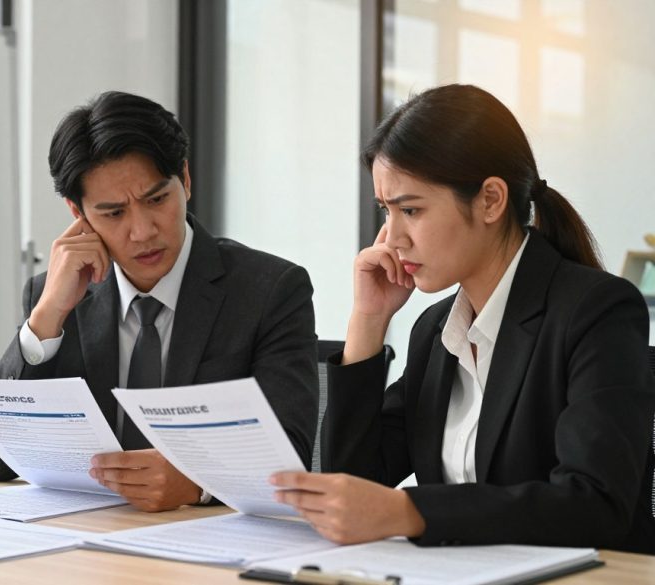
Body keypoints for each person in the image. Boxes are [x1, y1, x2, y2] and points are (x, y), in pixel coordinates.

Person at [271, 84, 655, 554]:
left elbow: (594, 505)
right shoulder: (435, 331)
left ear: (491, 200)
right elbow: (354, 486)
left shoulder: (597, 311)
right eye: (385, 212)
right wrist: (368, 321)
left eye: (410, 210)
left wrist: (412, 510)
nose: (392, 239)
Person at [0, 91, 319, 512]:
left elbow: (292, 457)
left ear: (184, 179)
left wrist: (195, 483)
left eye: (156, 200)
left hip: (209, 545)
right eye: (114, 213)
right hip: (91, 543)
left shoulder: (270, 290)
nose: (142, 231)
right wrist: (45, 320)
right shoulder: (56, 296)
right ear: (78, 214)